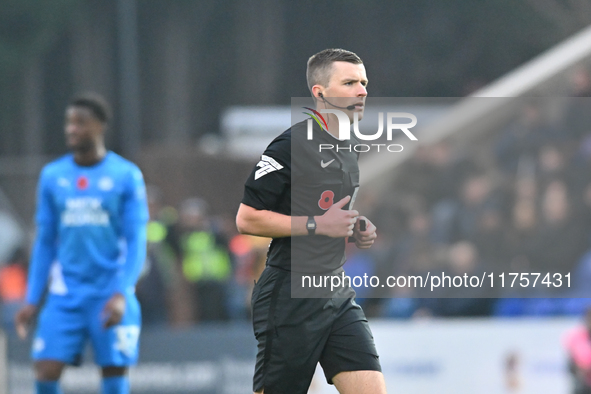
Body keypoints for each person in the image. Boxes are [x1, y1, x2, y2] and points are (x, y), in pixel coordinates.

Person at [236, 48, 386, 394]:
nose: (362, 90)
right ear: (320, 93)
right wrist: (318, 225)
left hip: (336, 292)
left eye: (363, 82)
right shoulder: (289, 146)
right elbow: (247, 219)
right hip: (290, 295)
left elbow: (328, 209)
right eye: (349, 82)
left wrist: (357, 226)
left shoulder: (348, 145)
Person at [15, 93, 149, 394]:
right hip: (66, 294)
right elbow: (46, 242)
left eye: (80, 123)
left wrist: (122, 291)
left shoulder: (126, 176)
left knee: (114, 374)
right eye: (69, 123)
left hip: (110, 291)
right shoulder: (53, 176)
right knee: (45, 369)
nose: (71, 129)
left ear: (100, 126)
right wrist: (32, 298)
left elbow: (136, 238)